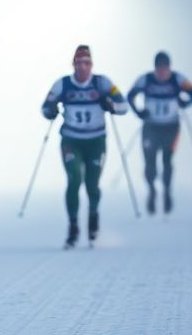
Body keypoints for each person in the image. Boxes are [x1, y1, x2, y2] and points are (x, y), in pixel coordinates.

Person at [42, 45, 128, 247]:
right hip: (71, 140)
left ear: (92, 65)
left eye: (86, 63)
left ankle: (93, 220)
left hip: (96, 141)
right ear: (73, 65)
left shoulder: (102, 83)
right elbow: (45, 107)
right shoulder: (62, 84)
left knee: (92, 184)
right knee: (74, 179)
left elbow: (124, 106)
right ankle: (73, 227)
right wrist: (51, 110)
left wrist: (111, 106)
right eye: (78, 63)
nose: (82, 67)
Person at [127, 51, 192, 215]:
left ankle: (167, 191)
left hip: (171, 127)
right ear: (154, 68)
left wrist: (184, 102)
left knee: (167, 160)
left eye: (165, 68)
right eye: (159, 68)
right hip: (150, 127)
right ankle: (152, 190)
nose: (162, 72)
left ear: (169, 67)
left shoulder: (178, 79)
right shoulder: (145, 79)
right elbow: (130, 96)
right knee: (150, 163)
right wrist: (139, 112)